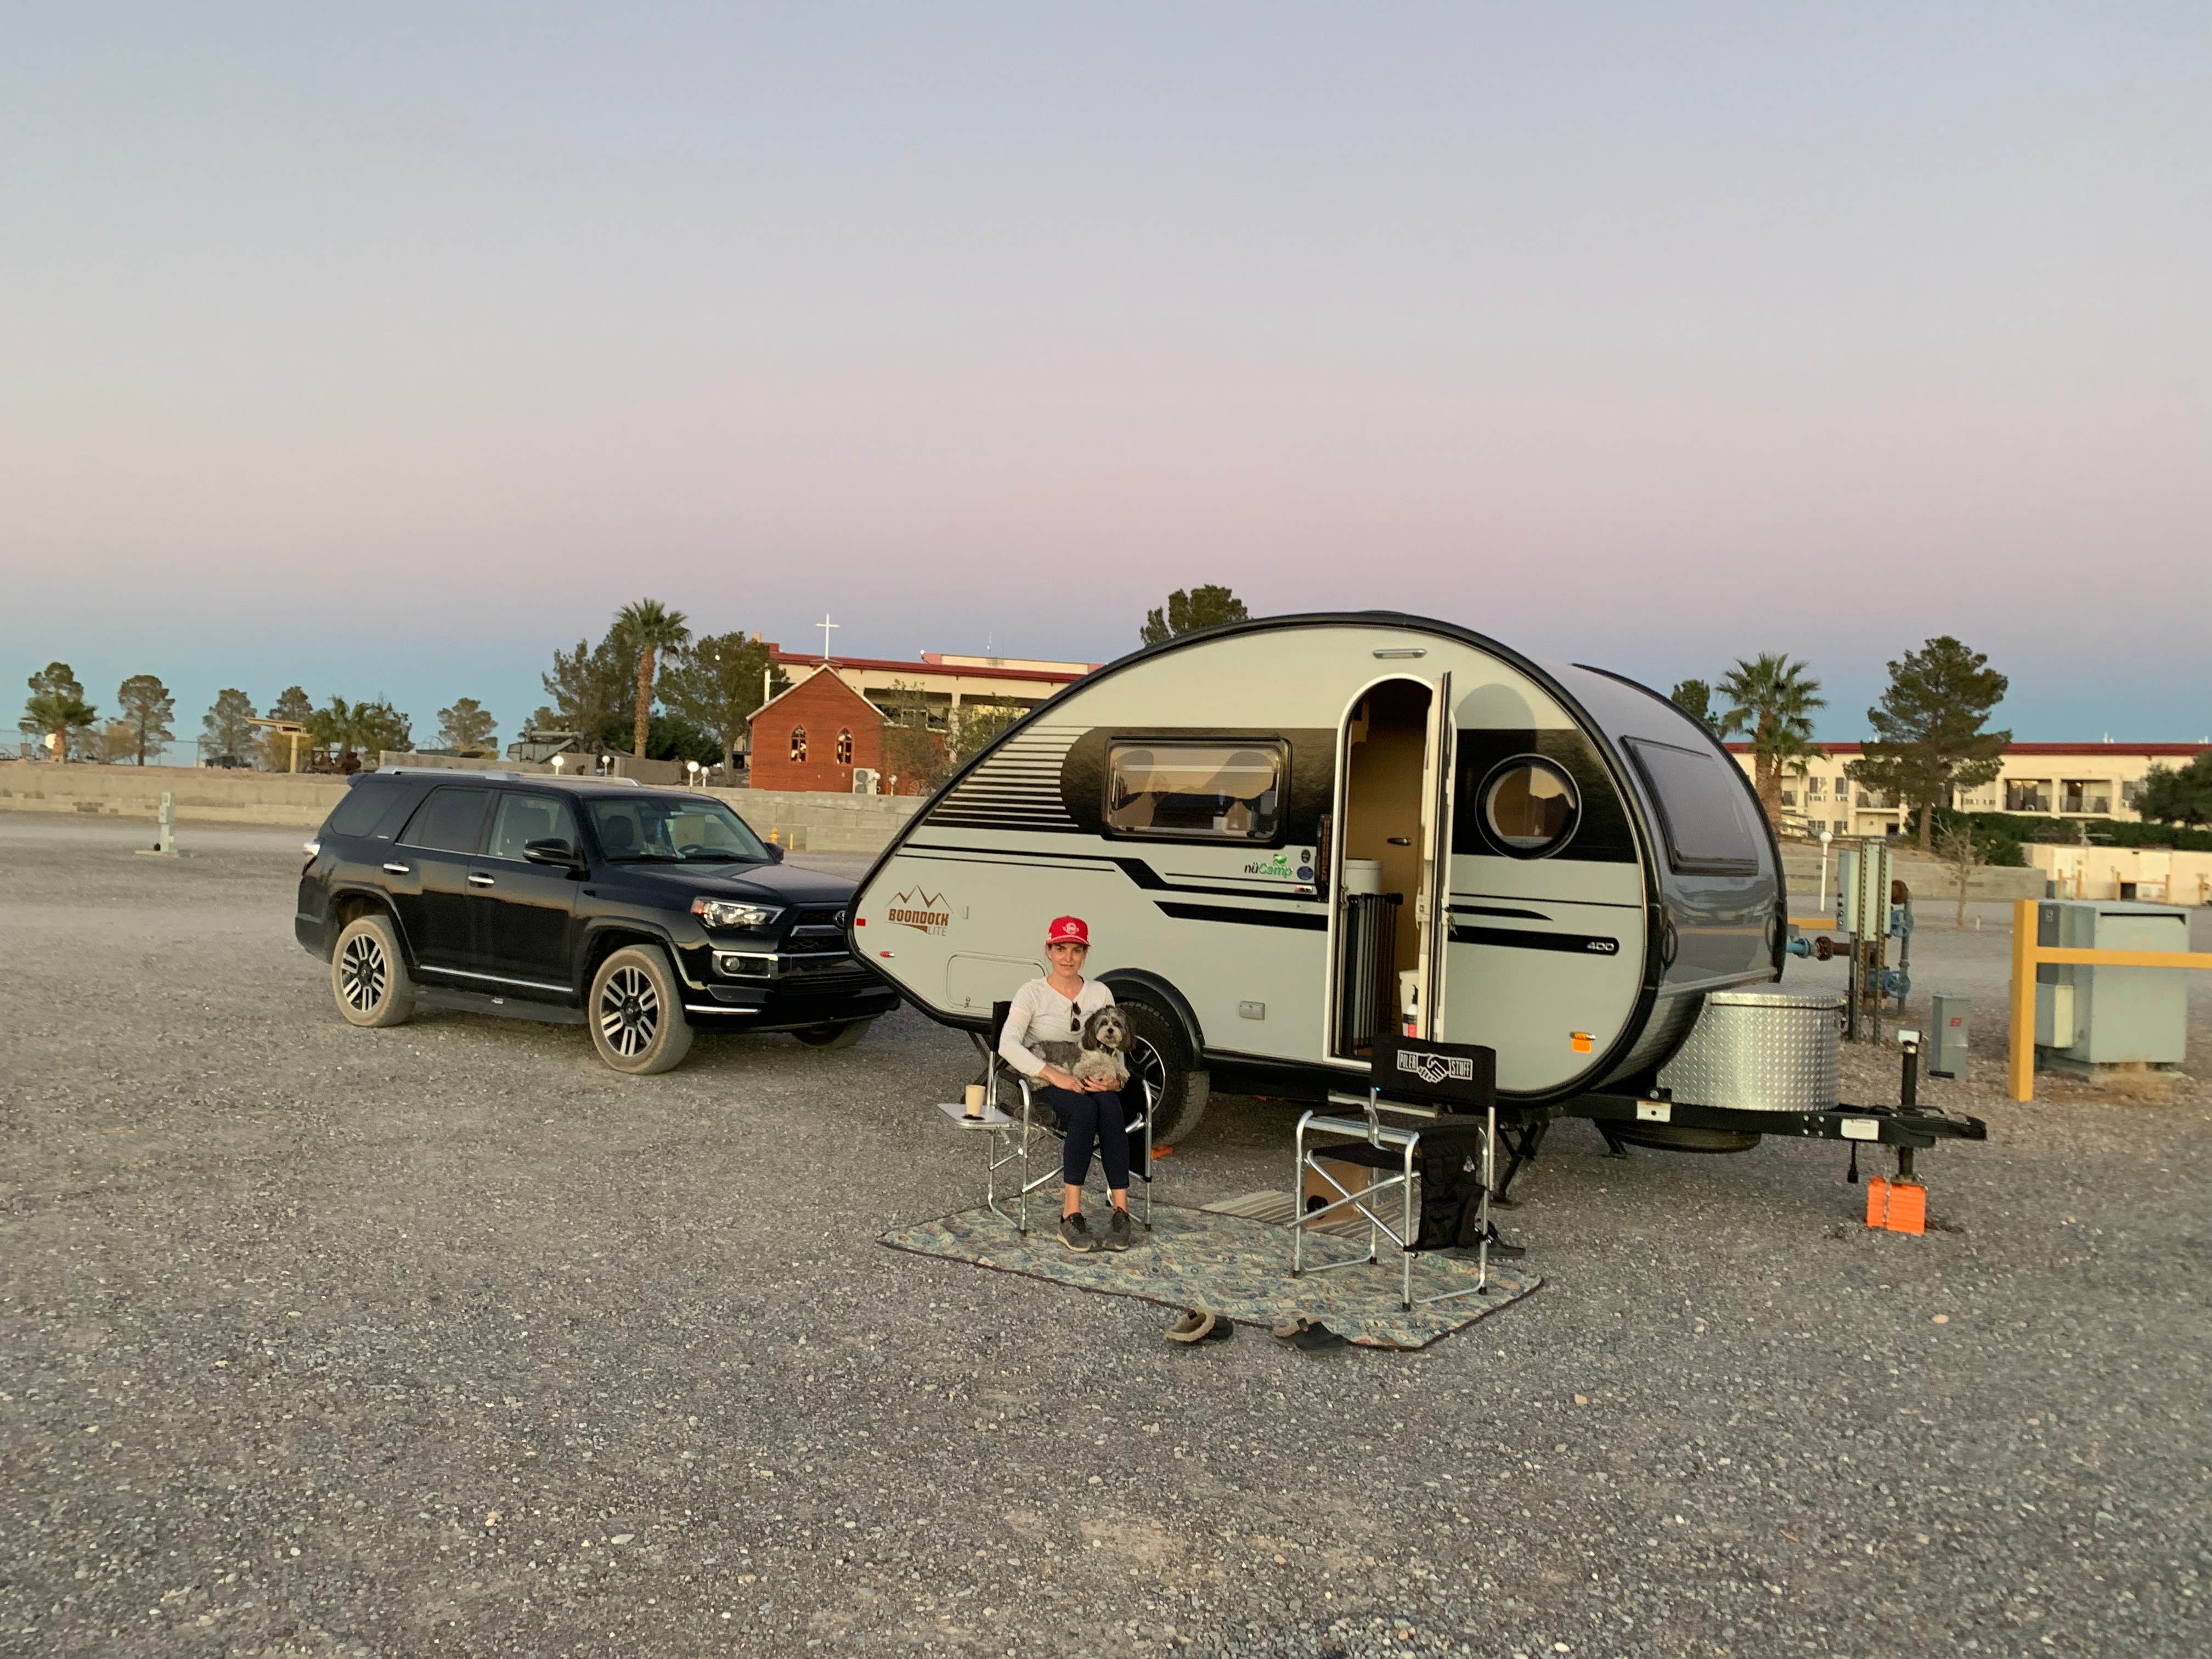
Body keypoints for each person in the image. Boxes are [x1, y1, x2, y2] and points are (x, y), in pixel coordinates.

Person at [998, 915, 1135, 1254]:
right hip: (1044, 1081)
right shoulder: (1032, 992)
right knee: (1086, 1111)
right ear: (1048, 950)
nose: (1068, 957)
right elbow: (1008, 1044)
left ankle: (1122, 1211)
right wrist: (1055, 1075)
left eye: (1076, 950)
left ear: (1085, 954)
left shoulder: (1100, 992)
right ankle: (1070, 1214)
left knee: (1109, 1104)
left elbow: (1114, 1043)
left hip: (1093, 1075)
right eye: (1061, 948)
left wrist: (1115, 1079)